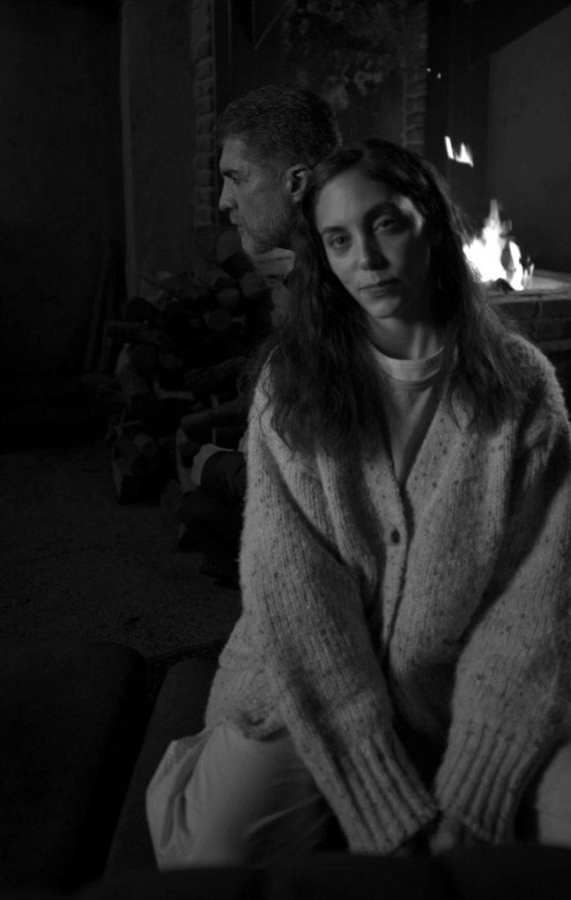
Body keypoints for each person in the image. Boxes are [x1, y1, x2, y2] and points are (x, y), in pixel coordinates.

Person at [148, 138, 571, 864]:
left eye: (386, 224)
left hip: (486, 676)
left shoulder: (520, 385)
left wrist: (477, 791)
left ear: (432, 226)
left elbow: (528, 603)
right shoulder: (292, 386)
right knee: (209, 854)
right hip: (312, 674)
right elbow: (296, 594)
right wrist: (373, 786)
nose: (367, 260)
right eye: (339, 240)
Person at [180, 84, 342, 586]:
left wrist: (216, 466)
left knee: (201, 503)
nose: (224, 201)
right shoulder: (307, 276)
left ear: (296, 182)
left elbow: (326, 485)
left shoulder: (339, 294)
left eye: (237, 177)